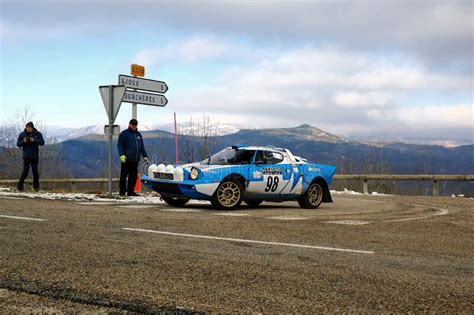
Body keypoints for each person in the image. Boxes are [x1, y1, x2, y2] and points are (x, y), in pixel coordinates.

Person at [117, 119, 149, 196]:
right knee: (124, 176)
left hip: (135, 160)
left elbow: (141, 147)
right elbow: (120, 144)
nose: (134, 126)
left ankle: (130, 192)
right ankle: (122, 192)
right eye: (132, 124)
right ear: (129, 124)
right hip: (126, 159)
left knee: (133, 176)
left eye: (135, 125)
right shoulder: (124, 133)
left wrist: (145, 156)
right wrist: (121, 154)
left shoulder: (139, 135)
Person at [17, 122, 45, 192]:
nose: (28, 129)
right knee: (25, 171)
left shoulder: (37, 134)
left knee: (35, 172)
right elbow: (18, 144)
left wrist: (34, 140)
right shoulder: (22, 134)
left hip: (34, 156)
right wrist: (23, 141)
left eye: (29, 128)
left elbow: (42, 142)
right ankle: (20, 186)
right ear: (25, 128)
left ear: (32, 128)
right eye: (27, 127)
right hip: (26, 156)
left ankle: (36, 187)